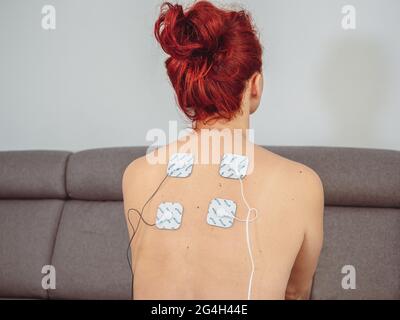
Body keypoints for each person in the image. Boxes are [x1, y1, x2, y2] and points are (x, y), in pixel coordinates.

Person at [123, 0, 324, 300]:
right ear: (255, 85)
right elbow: (295, 293)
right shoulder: (302, 183)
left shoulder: (136, 174)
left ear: (184, 88)